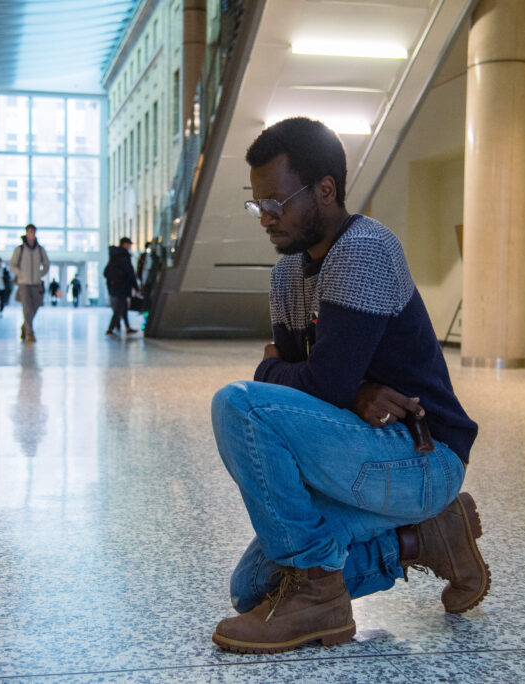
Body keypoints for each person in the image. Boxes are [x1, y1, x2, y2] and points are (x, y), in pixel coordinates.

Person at [210, 117, 489, 655]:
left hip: (423, 455)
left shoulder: (364, 249)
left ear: (325, 190)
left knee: (238, 405)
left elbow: (310, 384)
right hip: (360, 450)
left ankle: (319, 593)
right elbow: (313, 393)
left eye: (278, 201)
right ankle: (421, 538)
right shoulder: (286, 275)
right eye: (258, 203)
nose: (266, 217)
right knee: (251, 590)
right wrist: (350, 390)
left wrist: (288, 374)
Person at [10, 224, 50, 343]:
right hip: (24, 283)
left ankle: (25, 326)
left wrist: (41, 273)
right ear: (26, 233)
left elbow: (46, 263)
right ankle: (30, 332)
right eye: (30, 232)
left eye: (33, 232)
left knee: (36, 305)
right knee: (27, 308)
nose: (32, 234)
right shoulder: (20, 249)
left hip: (36, 283)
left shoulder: (40, 249)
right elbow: (12, 265)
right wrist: (20, 273)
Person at [103, 237, 138, 337]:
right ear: (124, 244)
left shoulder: (115, 256)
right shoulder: (123, 256)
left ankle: (127, 327)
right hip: (122, 286)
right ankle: (111, 328)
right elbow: (130, 272)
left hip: (116, 286)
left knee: (123, 307)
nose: (130, 246)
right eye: (129, 244)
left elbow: (106, 272)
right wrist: (135, 286)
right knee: (119, 308)